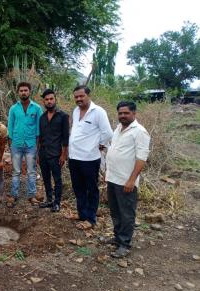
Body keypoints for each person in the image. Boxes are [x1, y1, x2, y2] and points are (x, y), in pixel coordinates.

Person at [105, 101, 150, 258]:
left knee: (126, 213)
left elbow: (141, 158)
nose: (122, 116)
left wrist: (131, 180)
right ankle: (117, 238)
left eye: (126, 113)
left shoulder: (140, 132)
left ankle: (124, 244)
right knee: (115, 211)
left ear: (134, 114)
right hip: (112, 178)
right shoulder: (118, 128)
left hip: (126, 181)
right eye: (120, 113)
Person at [68, 85, 113, 229]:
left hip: (90, 158)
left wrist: (100, 144)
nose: (79, 99)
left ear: (88, 95)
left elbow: (107, 133)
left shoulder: (98, 112)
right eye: (76, 97)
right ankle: (82, 214)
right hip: (74, 157)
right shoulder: (76, 111)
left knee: (91, 188)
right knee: (78, 187)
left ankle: (91, 219)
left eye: (81, 96)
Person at [6, 82, 43, 208]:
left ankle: (31, 195)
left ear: (30, 91)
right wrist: (10, 143)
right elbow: (10, 126)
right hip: (16, 143)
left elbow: (39, 128)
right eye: (21, 90)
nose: (23, 92)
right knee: (16, 171)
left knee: (31, 171)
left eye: (26, 90)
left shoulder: (37, 108)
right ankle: (14, 195)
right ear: (18, 92)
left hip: (31, 144)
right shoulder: (13, 108)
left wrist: (37, 146)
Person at [38, 89, 69, 212]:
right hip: (44, 153)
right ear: (43, 102)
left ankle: (57, 202)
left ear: (55, 100)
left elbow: (66, 137)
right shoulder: (42, 117)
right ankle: (49, 200)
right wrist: (38, 154)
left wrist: (63, 155)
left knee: (57, 179)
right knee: (46, 178)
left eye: (51, 99)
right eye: (47, 100)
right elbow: (40, 137)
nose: (49, 101)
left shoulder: (63, 116)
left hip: (56, 154)